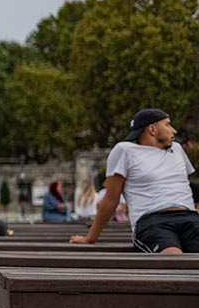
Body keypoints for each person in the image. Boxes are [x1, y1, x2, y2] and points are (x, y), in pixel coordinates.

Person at [71, 108, 199, 253]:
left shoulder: (176, 149)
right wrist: (90, 238)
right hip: (153, 220)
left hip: (190, 217)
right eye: (168, 125)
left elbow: (186, 187)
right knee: (173, 257)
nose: (174, 131)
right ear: (152, 129)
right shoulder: (125, 151)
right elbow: (111, 199)